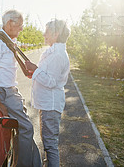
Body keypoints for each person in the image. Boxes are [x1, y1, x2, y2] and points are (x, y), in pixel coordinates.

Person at [0, 9, 41, 167]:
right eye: (20, 25)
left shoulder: (6, 41)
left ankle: (31, 162)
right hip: (4, 92)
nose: (22, 29)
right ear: (9, 24)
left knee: (23, 127)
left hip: (9, 91)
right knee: (27, 128)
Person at [25, 19, 71, 167]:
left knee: (50, 145)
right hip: (46, 104)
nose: (44, 34)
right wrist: (35, 73)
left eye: (47, 31)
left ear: (56, 34)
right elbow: (48, 75)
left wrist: (35, 69)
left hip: (51, 105)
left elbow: (51, 82)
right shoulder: (53, 52)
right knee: (48, 143)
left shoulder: (58, 55)